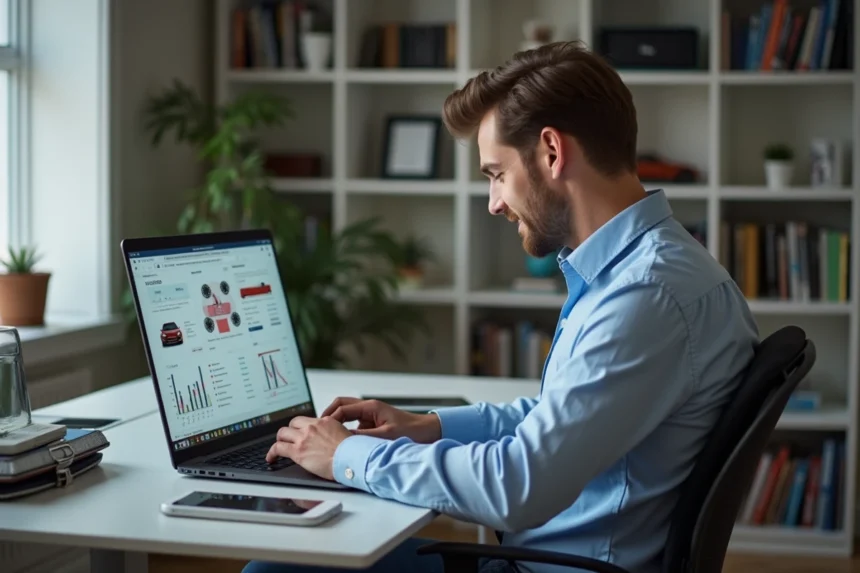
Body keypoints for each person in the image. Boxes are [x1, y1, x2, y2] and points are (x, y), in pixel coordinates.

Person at [243, 41, 759, 573]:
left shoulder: (645, 297)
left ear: (552, 152)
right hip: (536, 560)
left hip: (543, 568)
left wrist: (344, 455)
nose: (494, 203)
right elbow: (556, 418)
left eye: (496, 174)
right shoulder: (648, 271)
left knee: (274, 570)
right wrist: (426, 427)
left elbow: (518, 486)